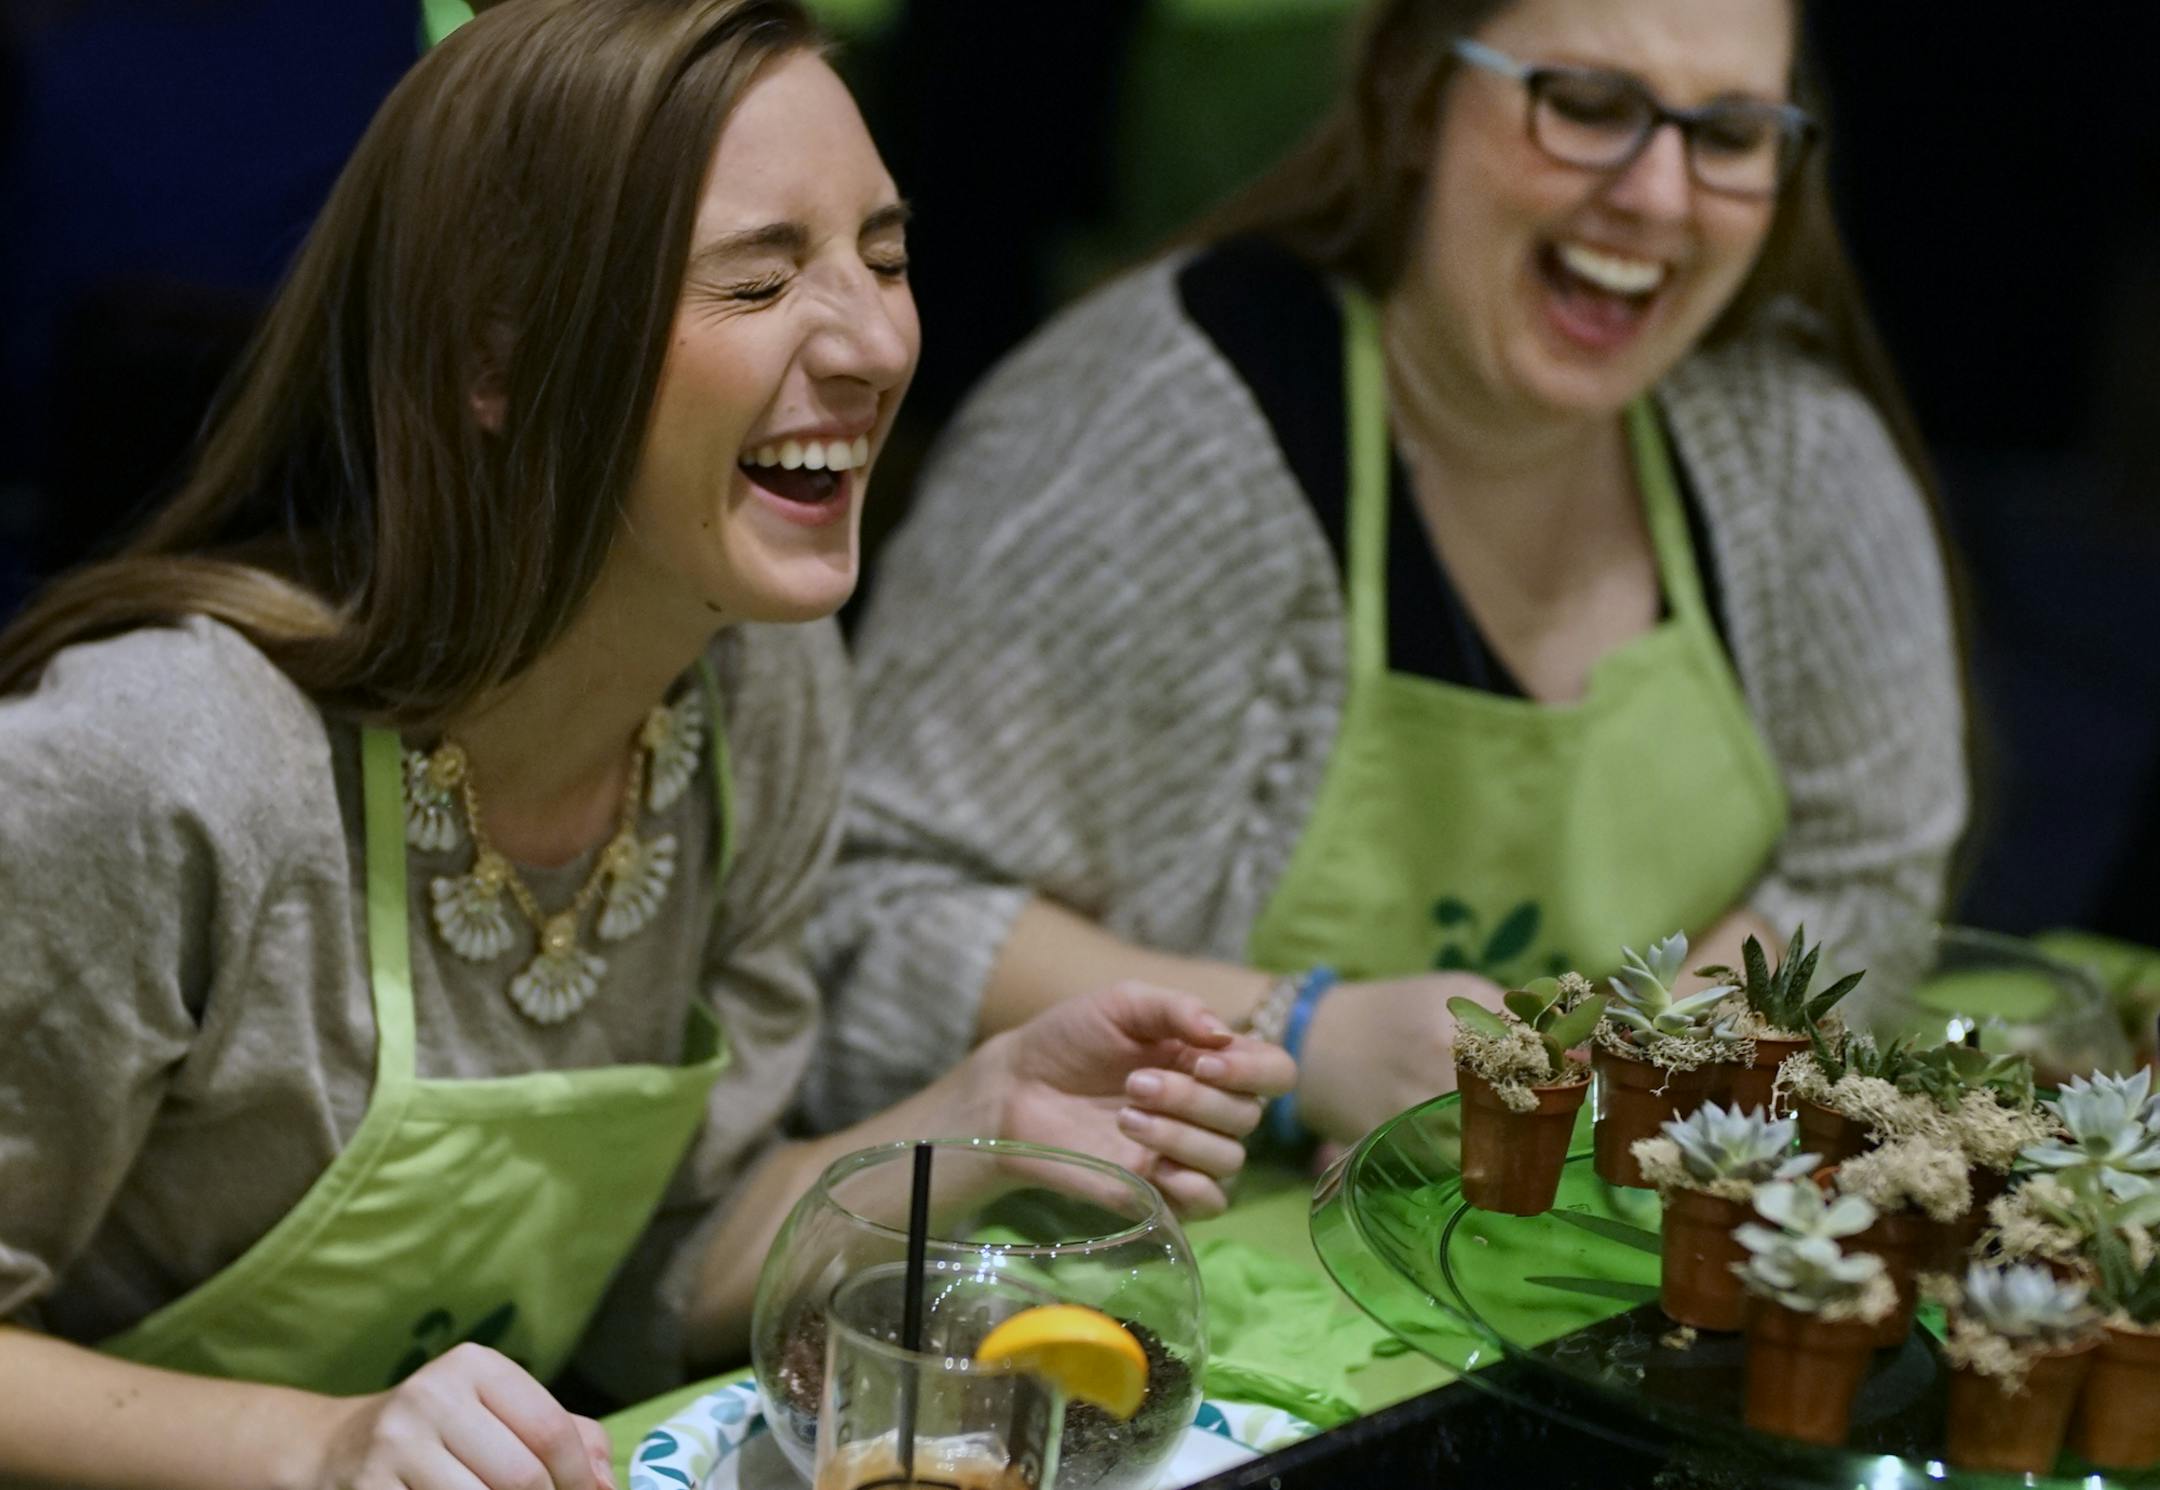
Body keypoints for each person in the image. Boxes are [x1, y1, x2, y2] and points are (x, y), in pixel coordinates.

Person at [0, 5, 1292, 1488]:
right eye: (759, 279)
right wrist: (324, 1443)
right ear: (499, 352)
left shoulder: (760, 690)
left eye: (884, 256)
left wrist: (976, 1122)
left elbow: (652, 1268)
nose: (876, 341)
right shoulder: (157, 768)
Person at [807, 0, 1967, 1148]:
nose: (1658, 193)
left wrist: (1618, 1077)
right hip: (1165, 1272)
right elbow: (871, 908)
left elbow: (1867, 868)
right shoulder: (1144, 437)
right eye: (1586, 105)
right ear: (1414, 93)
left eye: (1725, 135)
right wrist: (1304, 1040)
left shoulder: (1794, 446)